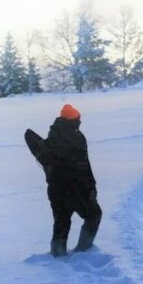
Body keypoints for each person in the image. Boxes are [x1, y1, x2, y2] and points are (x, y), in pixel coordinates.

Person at [41, 104, 102, 257]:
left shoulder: (52, 137)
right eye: (78, 119)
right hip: (76, 189)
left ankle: (57, 255)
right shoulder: (77, 138)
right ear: (73, 121)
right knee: (94, 215)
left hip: (55, 189)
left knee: (61, 222)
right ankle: (84, 250)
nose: (80, 122)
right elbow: (84, 168)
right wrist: (91, 188)